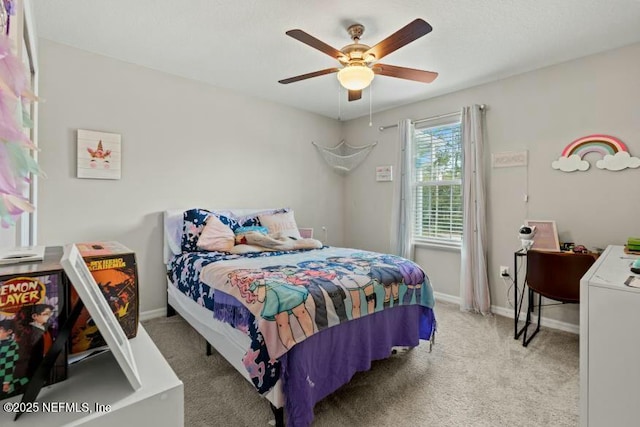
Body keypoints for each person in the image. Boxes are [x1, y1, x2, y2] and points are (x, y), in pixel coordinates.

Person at [0, 318, 20, 397]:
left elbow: (9, 364)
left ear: (9, 331)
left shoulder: (11, 345)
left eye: (0, 329)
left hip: (3, 378)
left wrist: (6, 382)